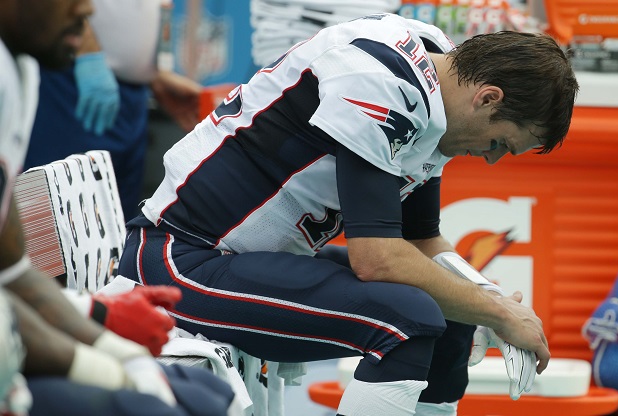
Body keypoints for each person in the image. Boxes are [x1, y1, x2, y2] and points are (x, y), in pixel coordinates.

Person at [118, 12, 579, 416]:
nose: (492, 157)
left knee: (451, 311)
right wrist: (498, 314)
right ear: (488, 98)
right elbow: (376, 258)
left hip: (235, 257)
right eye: (500, 142)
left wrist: (486, 297)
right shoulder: (384, 83)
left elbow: (420, 240)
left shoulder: (441, 80)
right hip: (179, 261)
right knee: (407, 320)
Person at [0, 0, 232, 415]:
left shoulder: (20, 70)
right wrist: (111, 368)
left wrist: (108, 332)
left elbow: (11, 272)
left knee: (207, 394)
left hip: (13, 342)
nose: (89, 8)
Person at [24, 0, 201, 219]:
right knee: (63, 216)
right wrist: (86, 47)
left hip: (133, 97)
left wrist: (151, 75)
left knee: (116, 224)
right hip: (74, 80)